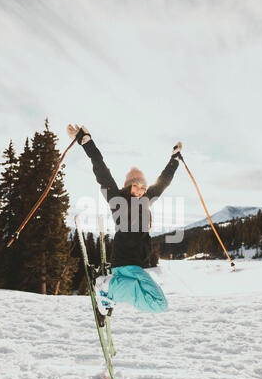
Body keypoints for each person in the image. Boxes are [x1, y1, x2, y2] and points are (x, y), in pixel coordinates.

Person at [67, 124, 181, 317]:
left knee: (159, 303)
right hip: (125, 263)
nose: (141, 191)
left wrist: (174, 160)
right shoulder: (117, 200)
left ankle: (109, 292)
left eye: (144, 188)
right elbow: (101, 171)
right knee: (159, 303)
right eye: (137, 187)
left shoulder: (145, 202)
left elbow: (163, 182)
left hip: (136, 265)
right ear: (128, 186)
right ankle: (107, 287)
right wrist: (86, 142)